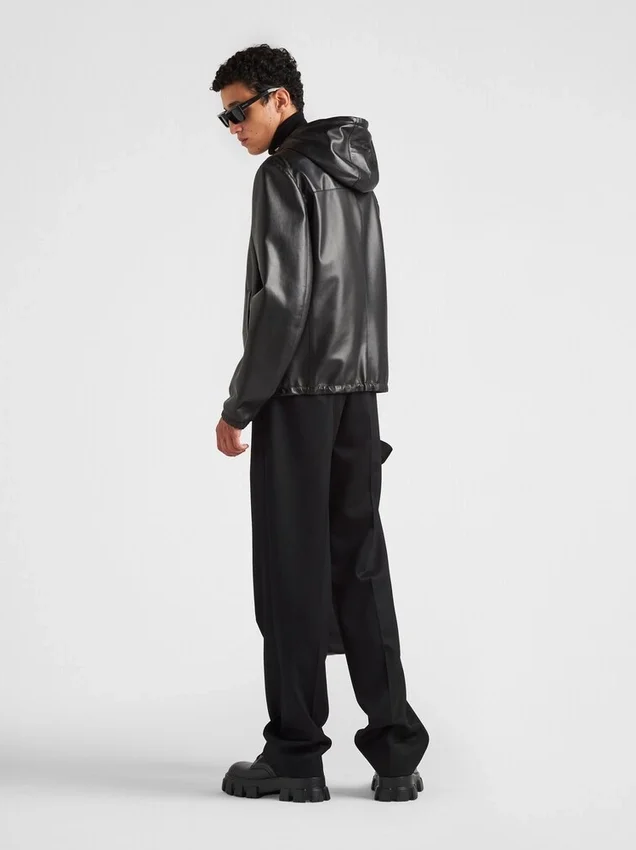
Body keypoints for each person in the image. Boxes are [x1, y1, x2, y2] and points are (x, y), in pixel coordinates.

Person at [210, 44, 429, 803]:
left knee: (291, 570)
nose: (233, 127)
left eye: (239, 111)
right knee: (360, 564)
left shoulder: (284, 174)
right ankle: (395, 752)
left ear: (281, 100)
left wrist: (240, 403)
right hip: (358, 392)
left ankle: (296, 754)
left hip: (299, 391)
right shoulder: (354, 174)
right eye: (224, 117)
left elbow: (283, 302)